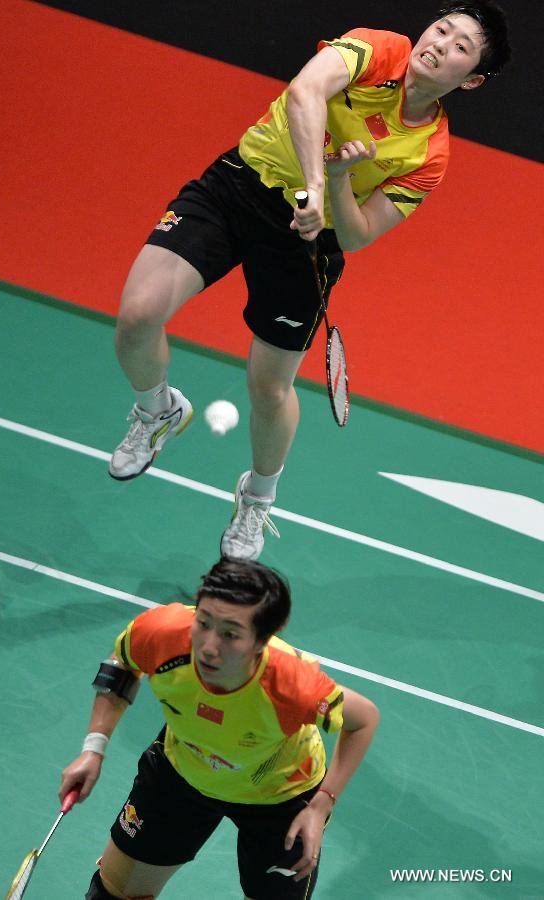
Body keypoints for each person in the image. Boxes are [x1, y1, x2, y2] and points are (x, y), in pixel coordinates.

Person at [108, 1, 510, 561]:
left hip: (307, 243)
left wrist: (340, 181)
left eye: (460, 46)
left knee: (268, 387)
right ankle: (157, 411)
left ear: (470, 81)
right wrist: (318, 184)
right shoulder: (378, 49)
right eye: (441, 28)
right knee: (137, 316)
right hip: (241, 184)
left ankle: (257, 498)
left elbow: (361, 232)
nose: (440, 43)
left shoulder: (429, 155)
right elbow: (304, 92)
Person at [60, 558, 379, 899]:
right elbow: (123, 664)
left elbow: (364, 719)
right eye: (204, 622)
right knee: (113, 895)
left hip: (279, 798)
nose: (208, 647)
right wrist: (93, 748)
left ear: (262, 640)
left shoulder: (293, 685)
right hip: (182, 771)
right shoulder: (164, 632)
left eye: (230, 634)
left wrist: (322, 803)